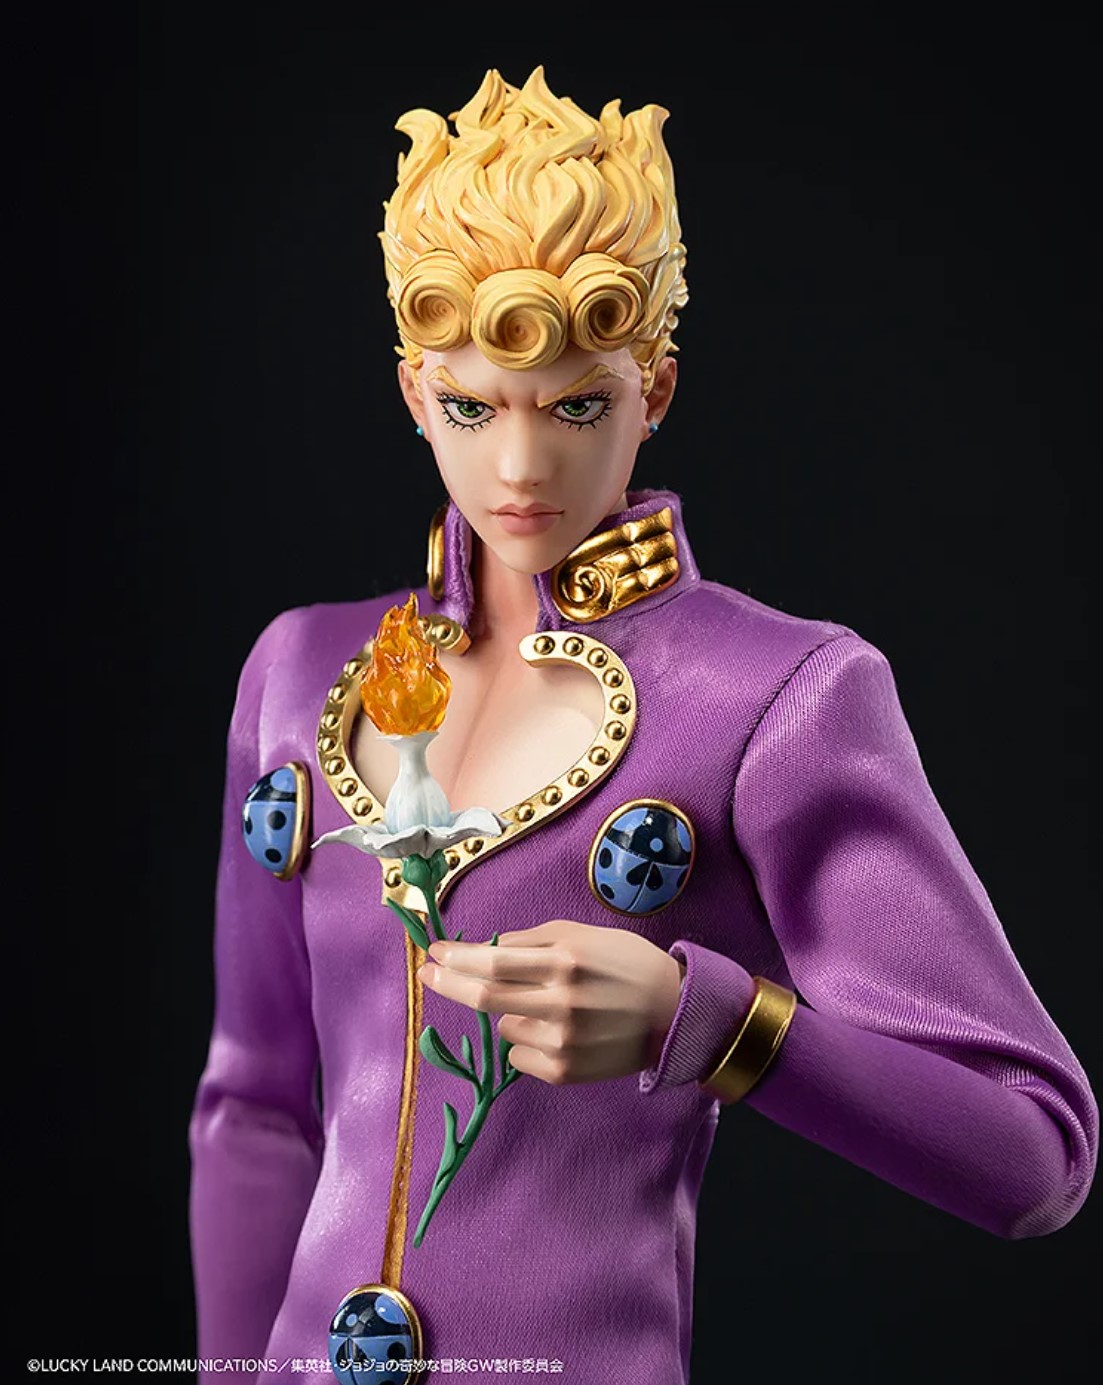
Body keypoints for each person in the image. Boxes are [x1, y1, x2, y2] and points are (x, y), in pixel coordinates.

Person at [188, 65, 1097, 1384]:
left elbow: (1033, 1152)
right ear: (412, 391)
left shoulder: (774, 695)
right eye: (471, 406)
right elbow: (255, 1107)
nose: (520, 468)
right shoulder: (300, 672)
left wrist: (708, 1019)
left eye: (577, 404)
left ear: (654, 390)